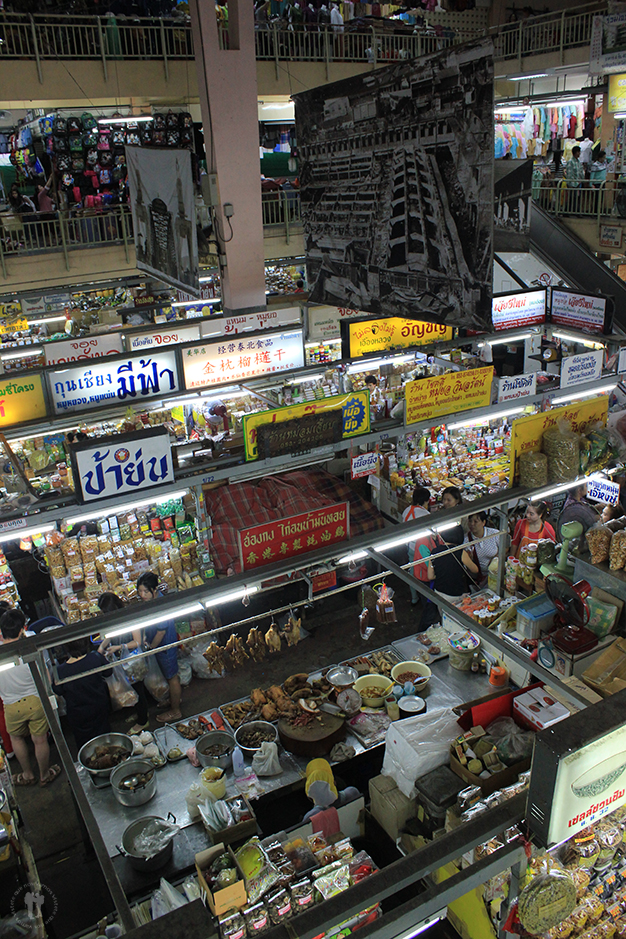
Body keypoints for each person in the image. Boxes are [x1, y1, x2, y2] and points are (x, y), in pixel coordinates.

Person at [0, 609, 61, 787]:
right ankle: (44, 775)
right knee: (39, 740)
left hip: (11, 705)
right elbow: (46, 673)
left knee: (16, 739)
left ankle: (27, 774)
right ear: (21, 630)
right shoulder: (32, 641)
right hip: (36, 700)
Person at [98, 592, 150, 734]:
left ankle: (143, 721)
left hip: (134, 662)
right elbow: (111, 635)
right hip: (124, 661)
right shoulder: (114, 618)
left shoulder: (130, 618)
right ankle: (140, 712)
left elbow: (137, 642)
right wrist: (102, 647)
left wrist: (119, 647)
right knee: (132, 689)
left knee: (138, 690)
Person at [136, 572, 182, 724]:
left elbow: (161, 631)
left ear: (154, 590)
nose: (142, 595)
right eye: (140, 591)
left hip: (165, 647)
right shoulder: (153, 601)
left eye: (146, 591)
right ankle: (173, 700)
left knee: (172, 678)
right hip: (160, 647)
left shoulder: (161, 605)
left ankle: (175, 711)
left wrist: (151, 647)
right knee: (170, 676)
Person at [53, 637, 112, 751]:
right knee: (104, 737)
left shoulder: (61, 671)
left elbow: (58, 690)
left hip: (78, 714)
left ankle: (90, 763)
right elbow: (108, 672)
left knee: (85, 745)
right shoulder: (95, 657)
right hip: (99, 706)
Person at [424, 526, 472, 624]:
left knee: (446, 619)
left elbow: (430, 576)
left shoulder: (434, 552)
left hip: (440, 593)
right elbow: (474, 569)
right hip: (456, 594)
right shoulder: (461, 552)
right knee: (459, 621)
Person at [402, 486, 432, 604]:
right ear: (425, 501)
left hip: (410, 546)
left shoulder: (406, 510)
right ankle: (427, 597)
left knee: (412, 572)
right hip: (421, 548)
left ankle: (414, 598)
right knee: (424, 571)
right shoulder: (425, 513)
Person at [464, 512, 500, 588]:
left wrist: (496, 559)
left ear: (483, 522)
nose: (472, 524)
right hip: (477, 579)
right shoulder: (466, 540)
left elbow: (505, 548)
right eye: (470, 521)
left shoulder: (494, 534)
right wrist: (469, 559)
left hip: (495, 576)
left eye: (476, 521)